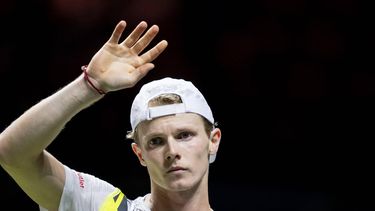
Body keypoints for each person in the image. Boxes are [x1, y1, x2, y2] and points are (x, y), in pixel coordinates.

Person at [0, 19, 221, 211]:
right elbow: (11, 154)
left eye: (184, 135)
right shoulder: (105, 206)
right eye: (156, 141)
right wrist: (88, 86)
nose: (172, 151)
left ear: (213, 141)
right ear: (139, 153)